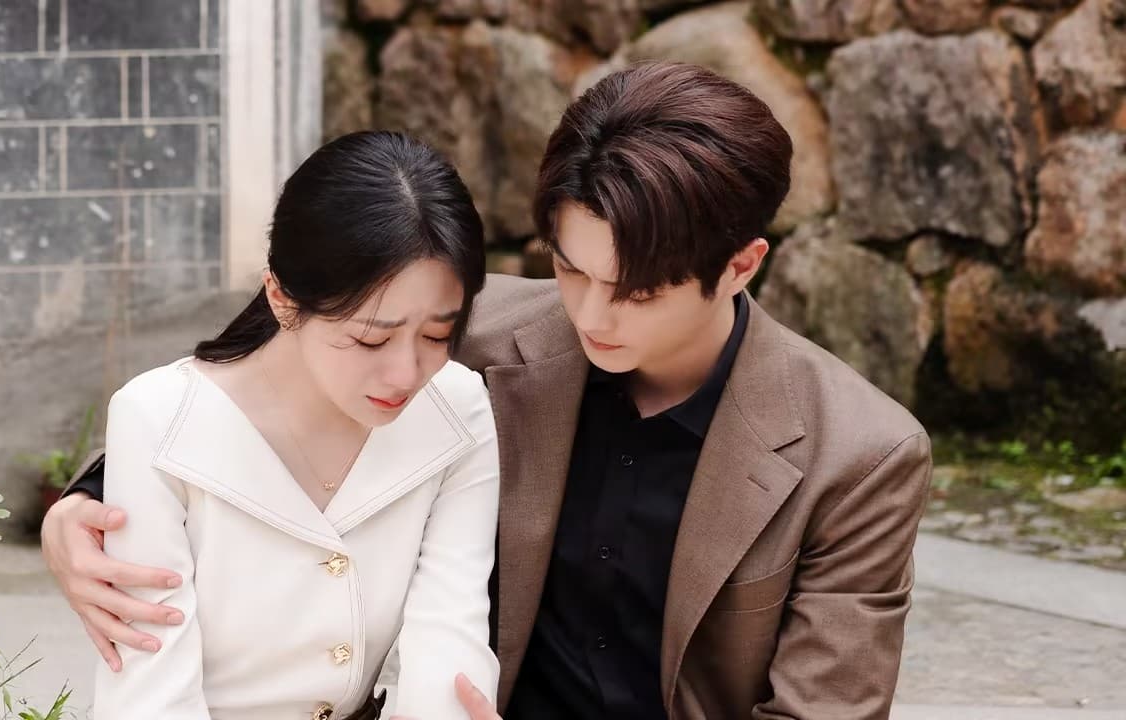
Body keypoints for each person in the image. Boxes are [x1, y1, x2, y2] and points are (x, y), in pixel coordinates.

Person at [46, 63, 932, 719]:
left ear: (741, 266)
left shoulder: (858, 454)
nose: (590, 316)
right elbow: (276, 352)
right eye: (571, 269)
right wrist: (90, 501)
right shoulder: (463, 330)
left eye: (638, 292)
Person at [84, 130, 500, 720]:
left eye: (438, 335)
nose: (407, 373)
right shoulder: (158, 419)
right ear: (281, 297)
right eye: (370, 338)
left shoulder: (455, 406)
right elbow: (150, 691)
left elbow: (450, 631)